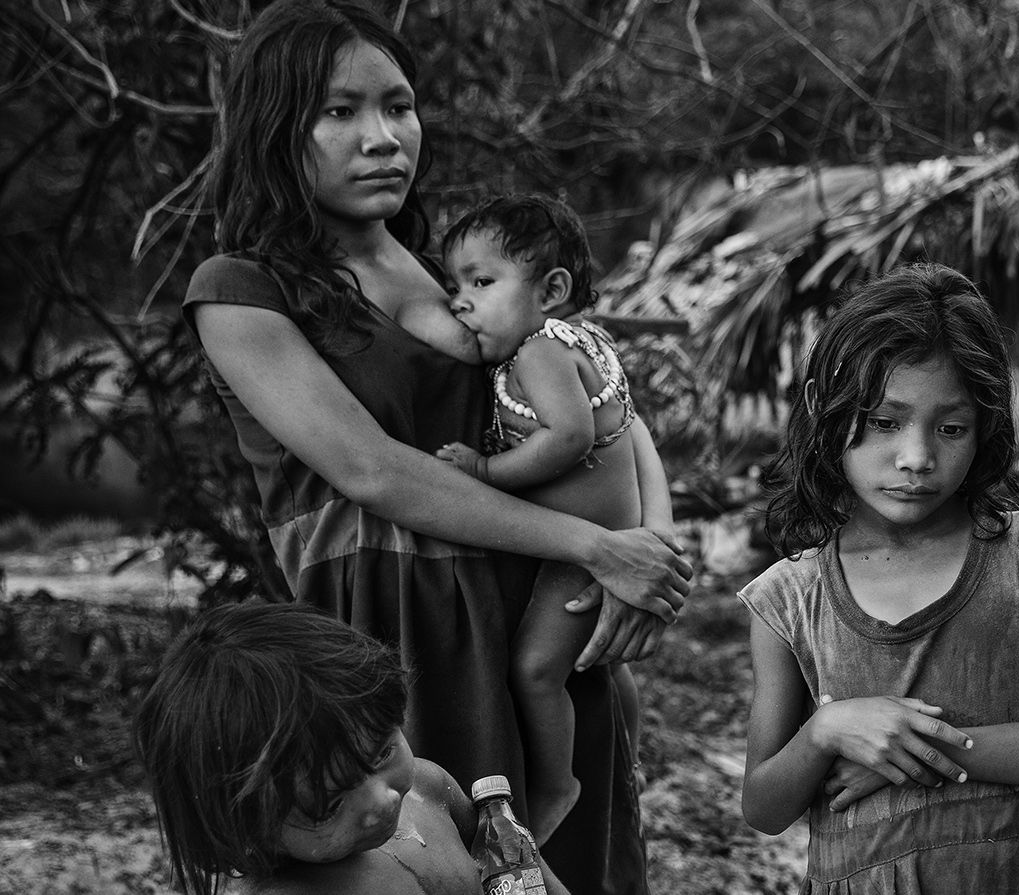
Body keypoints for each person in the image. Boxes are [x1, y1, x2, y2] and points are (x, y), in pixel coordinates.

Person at [180, 2, 688, 890]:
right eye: (339, 111)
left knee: (579, 859)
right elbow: (368, 469)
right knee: (449, 863)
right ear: (274, 125)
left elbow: (608, 402)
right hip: (396, 630)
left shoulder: (461, 267)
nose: (383, 138)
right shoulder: (241, 290)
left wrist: (653, 549)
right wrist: (600, 547)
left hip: (538, 608)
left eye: (399, 105)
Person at [738, 263, 1019, 893]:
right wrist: (828, 731)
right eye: (885, 423)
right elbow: (764, 805)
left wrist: (910, 752)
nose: (917, 458)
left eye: (951, 428)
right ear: (822, 411)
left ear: (986, 426)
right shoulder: (789, 599)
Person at [431, 194, 672, 845]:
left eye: (482, 282)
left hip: (579, 556)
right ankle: (630, 757)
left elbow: (567, 439)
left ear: (551, 288)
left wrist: (483, 472)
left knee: (536, 671)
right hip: (610, 538)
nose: (461, 301)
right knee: (604, 667)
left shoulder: (538, 351)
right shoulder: (583, 338)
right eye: (456, 285)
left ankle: (558, 781)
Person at [133, 599, 574, 895]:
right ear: (243, 824)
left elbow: (524, 867)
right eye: (329, 803)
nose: (381, 799)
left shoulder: (428, 787)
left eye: (382, 753)